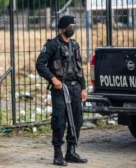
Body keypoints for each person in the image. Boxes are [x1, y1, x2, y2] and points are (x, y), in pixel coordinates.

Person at [36, 15, 88, 166]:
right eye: (70, 26)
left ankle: (71, 152)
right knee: (59, 121)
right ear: (62, 28)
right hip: (60, 88)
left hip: (75, 87)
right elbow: (40, 64)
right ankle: (58, 155)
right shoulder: (52, 45)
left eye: (74, 26)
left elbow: (79, 68)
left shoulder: (75, 45)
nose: (72, 28)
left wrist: (83, 88)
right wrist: (53, 79)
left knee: (77, 120)